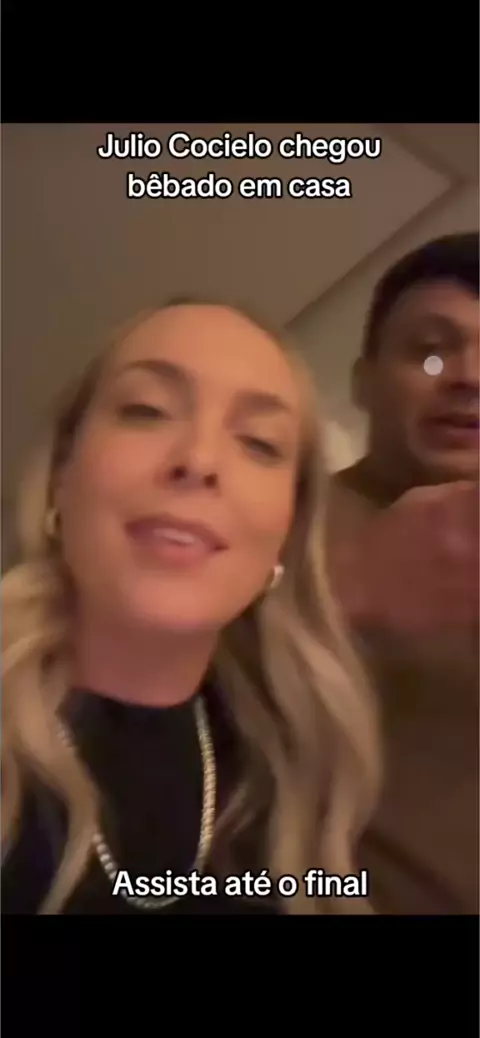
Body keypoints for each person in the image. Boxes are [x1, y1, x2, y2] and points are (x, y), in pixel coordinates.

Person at [2, 300, 381, 915]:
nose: (199, 461)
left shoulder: (296, 776)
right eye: (146, 411)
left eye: (259, 443)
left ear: (288, 531)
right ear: (62, 473)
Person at [327, 233, 479, 914]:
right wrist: (352, 587)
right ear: (363, 380)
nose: (468, 377)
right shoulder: (273, 521)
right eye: (431, 351)